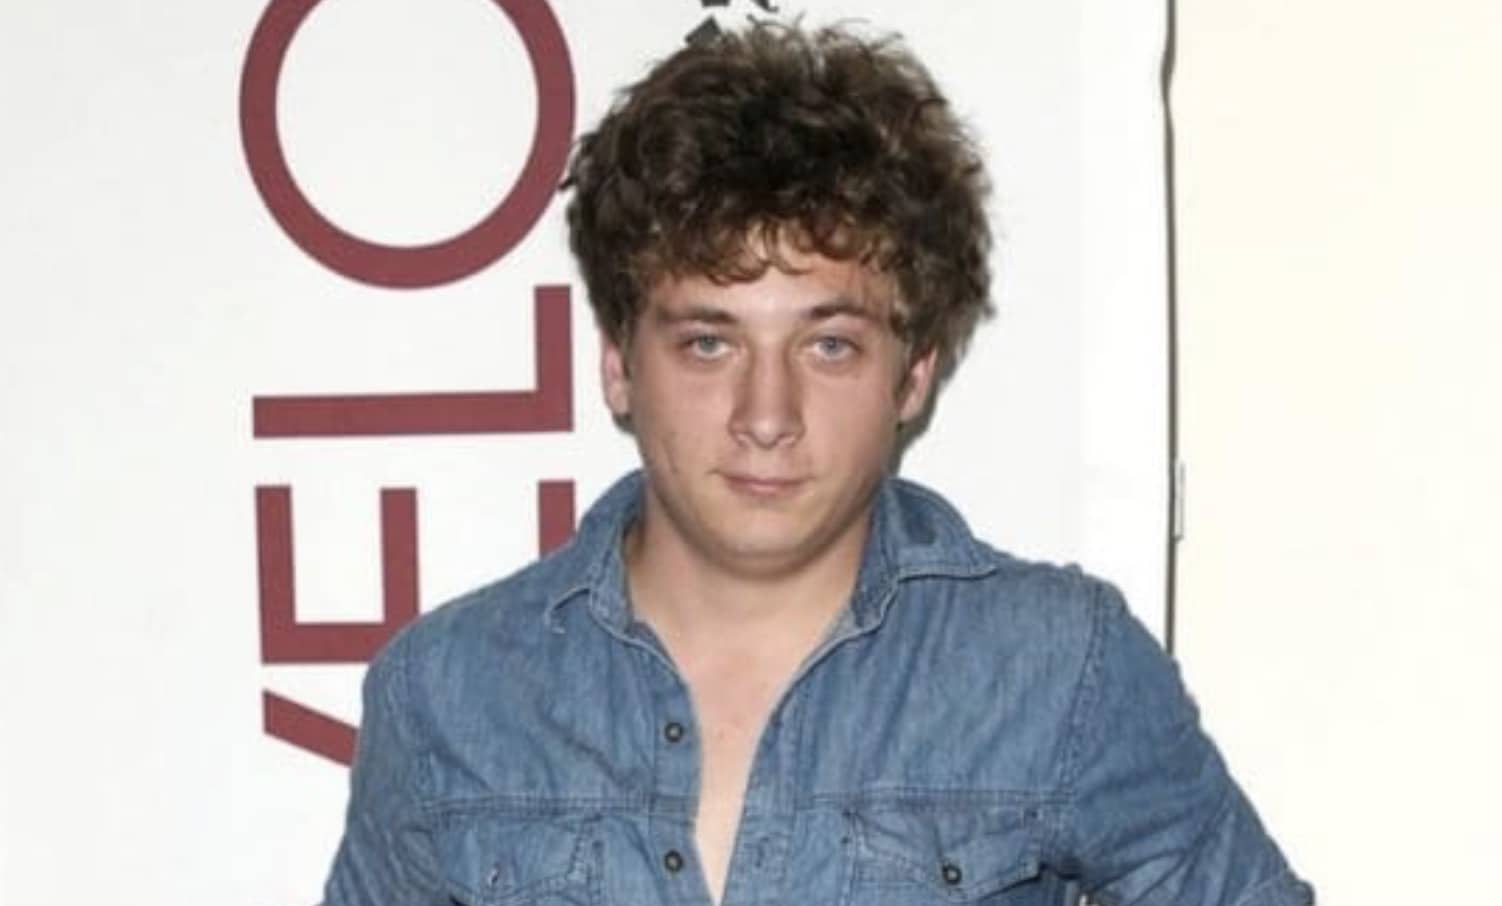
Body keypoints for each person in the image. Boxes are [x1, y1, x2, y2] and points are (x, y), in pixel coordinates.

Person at [323, 21, 1312, 906]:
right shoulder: (448, 692)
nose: (766, 415)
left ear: (912, 373)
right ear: (619, 365)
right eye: (709, 343)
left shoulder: (1058, 665)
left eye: (827, 344)